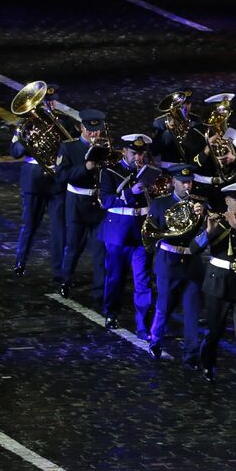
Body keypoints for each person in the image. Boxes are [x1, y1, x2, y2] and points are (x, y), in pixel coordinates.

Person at [195, 181, 236, 386]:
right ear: (227, 200)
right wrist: (207, 232)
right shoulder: (215, 221)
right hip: (218, 283)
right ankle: (206, 363)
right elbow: (195, 248)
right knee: (214, 330)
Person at [96, 134, 154, 335]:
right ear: (124, 152)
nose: (138, 157)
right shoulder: (110, 172)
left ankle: (143, 324)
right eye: (134, 153)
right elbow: (105, 201)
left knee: (143, 281)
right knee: (115, 278)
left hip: (141, 233)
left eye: (140, 153)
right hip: (118, 234)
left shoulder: (148, 172)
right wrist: (130, 194)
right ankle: (111, 312)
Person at [147, 165, 204, 367]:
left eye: (189, 182)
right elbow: (151, 231)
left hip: (191, 264)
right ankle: (155, 340)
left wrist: (203, 217)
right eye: (183, 182)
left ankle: (191, 354)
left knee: (192, 312)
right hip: (168, 263)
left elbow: (207, 235)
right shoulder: (161, 204)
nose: (187, 186)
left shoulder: (200, 205)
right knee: (163, 307)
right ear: (173, 182)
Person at [10, 82, 69, 276]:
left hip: (57, 180)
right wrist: (29, 140)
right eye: (45, 102)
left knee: (59, 227)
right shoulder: (24, 125)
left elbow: (72, 149)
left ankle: (59, 270)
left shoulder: (65, 122)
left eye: (51, 102)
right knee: (29, 224)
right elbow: (15, 152)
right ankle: (20, 262)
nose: (49, 106)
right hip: (34, 180)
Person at [55, 107, 107, 297]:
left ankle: (100, 289)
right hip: (77, 203)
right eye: (90, 130)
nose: (94, 134)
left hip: (99, 203)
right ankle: (65, 280)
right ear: (80, 128)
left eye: (97, 130)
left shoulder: (105, 148)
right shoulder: (68, 147)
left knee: (101, 249)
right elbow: (62, 176)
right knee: (74, 246)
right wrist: (86, 167)